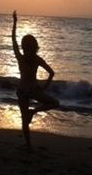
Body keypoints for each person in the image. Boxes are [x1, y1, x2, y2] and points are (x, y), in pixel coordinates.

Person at [12, 10, 59, 148]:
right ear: (35, 46)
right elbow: (51, 73)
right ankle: (33, 112)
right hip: (32, 90)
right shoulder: (37, 59)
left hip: (22, 91)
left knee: (24, 119)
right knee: (55, 103)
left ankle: (28, 144)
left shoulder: (20, 58)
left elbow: (13, 40)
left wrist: (15, 23)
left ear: (24, 46)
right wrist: (44, 87)